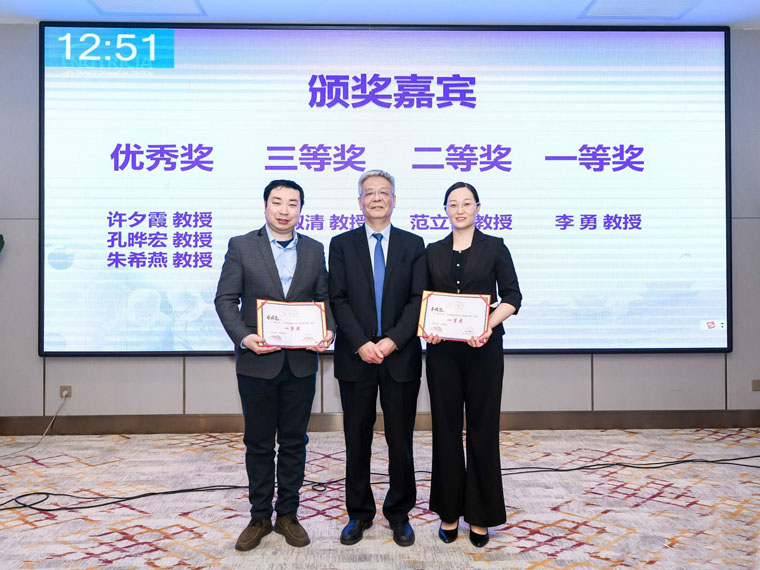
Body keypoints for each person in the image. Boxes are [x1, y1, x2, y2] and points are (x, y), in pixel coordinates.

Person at [215, 179, 335, 552]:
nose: (284, 210)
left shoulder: (314, 249)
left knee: (295, 441)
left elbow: (323, 298)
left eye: (292, 203)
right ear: (265, 205)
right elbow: (225, 299)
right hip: (257, 362)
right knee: (259, 443)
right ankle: (258, 516)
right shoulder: (241, 246)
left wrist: (328, 330)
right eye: (277, 202)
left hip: (300, 363)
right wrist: (243, 337)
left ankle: (288, 514)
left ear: (301, 209)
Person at [329, 169, 426, 547]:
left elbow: (418, 299)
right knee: (357, 438)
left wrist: (392, 341)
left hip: (400, 357)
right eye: (369, 193)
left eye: (384, 192)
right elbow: (338, 299)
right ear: (359, 202)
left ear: (394, 200)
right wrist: (361, 343)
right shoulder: (341, 244)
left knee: (400, 440)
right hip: (356, 358)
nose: (376, 198)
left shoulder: (413, 244)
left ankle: (399, 514)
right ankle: (359, 513)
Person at [423, 181, 521, 548]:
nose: (460, 210)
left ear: (478, 208)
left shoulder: (495, 247)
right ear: (445, 210)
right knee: (445, 430)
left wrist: (487, 324)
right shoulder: (432, 251)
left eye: (467, 203)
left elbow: (512, 296)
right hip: (442, 353)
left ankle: (480, 516)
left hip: (484, 350)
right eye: (453, 204)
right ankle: (449, 512)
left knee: (483, 429)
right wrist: (428, 329)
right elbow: (423, 300)